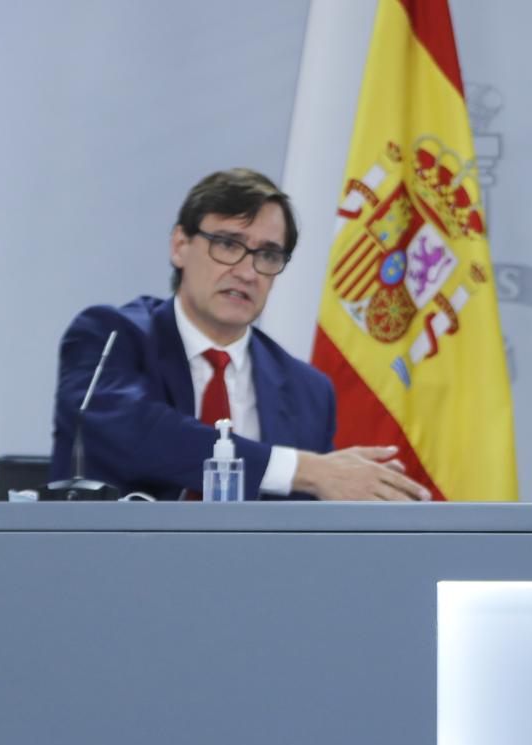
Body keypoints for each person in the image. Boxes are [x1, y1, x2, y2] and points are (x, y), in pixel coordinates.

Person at [50, 168, 430, 501]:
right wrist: (302, 469)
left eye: (267, 255)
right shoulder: (110, 338)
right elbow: (138, 434)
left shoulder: (307, 391)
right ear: (180, 246)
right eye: (228, 244)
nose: (247, 272)